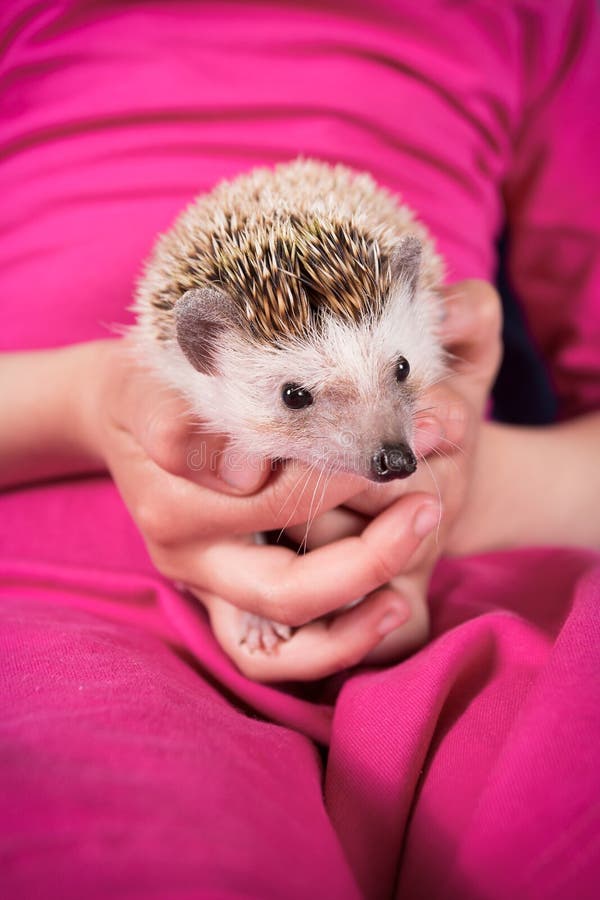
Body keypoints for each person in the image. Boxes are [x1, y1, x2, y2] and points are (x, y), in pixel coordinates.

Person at [1, 1, 598, 898]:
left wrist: (467, 497)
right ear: (201, 354)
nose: (384, 442)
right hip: (62, 621)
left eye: (399, 371)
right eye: (296, 395)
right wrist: (82, 404)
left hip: (469, 602)